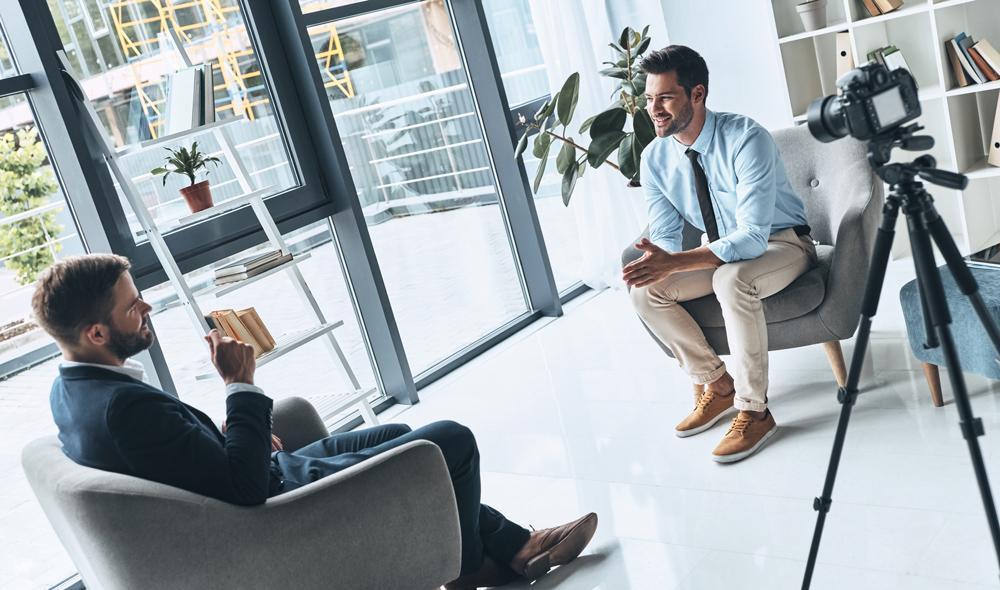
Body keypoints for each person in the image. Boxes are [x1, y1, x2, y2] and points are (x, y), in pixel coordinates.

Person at [32, 254, 597, 588]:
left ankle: (514, 545)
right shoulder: (124, 407)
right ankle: (473, 567)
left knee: (397, 435)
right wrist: (239, 386)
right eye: (133, 307)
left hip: (256, 470)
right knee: (450, 440)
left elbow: (178, 462)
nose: (148, 310)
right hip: (279, 505)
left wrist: (237, 434)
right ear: (96, 334)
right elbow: (247, 488)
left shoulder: (72, 388)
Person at [624, 45, 817, 463]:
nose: (653, 109)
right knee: (645, 291)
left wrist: (677, 261)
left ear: (697, 94)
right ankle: (716, 384)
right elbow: (667, 237)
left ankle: (755, 411)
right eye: (648, 98)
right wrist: (661, 262)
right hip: (718, 252)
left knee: (733, 278)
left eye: (665, 98)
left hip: (779, 243)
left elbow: (750, 238)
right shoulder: (655, 157)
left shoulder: (746, 138)